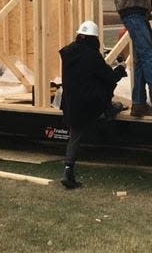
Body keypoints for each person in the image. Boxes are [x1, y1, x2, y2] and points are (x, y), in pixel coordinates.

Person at [59, 20, 127, 189]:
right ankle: (108, 109)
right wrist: (120, 69)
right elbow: (108, 77)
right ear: (94, 38)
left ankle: (68, 169)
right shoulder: (91, 55)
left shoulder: (68, 53)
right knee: (107, 88)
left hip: (70, 104)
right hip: (89, 105)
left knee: (75, 135)